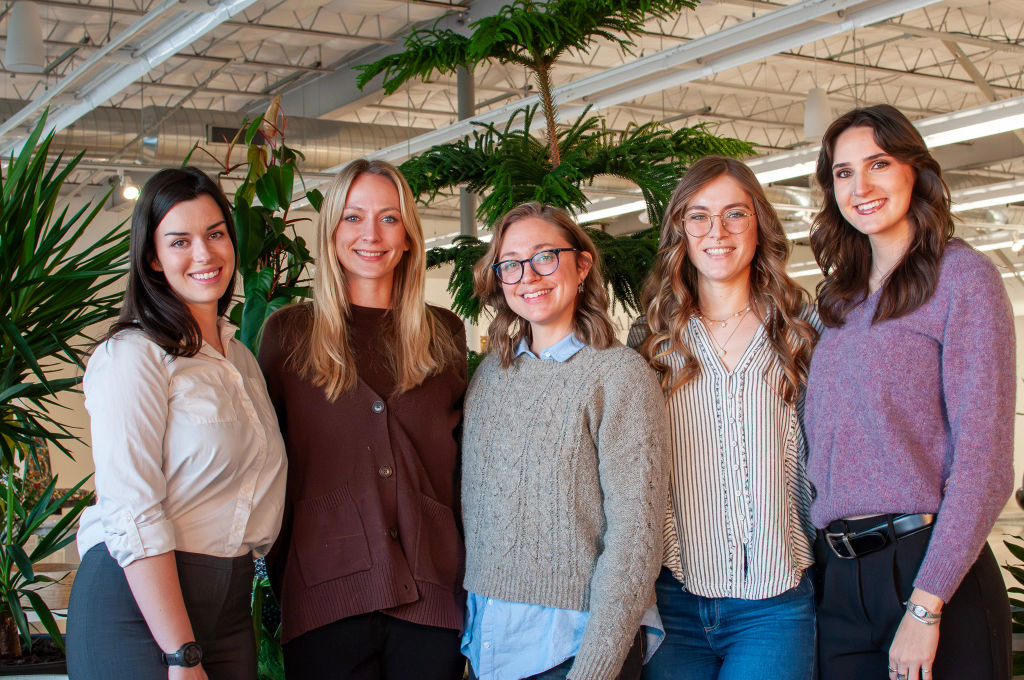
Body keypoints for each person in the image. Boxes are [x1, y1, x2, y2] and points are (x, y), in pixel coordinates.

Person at [805, 104, 1014, 680]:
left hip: (930, 571)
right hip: (840, 579)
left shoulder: (963, 279)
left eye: (878, 163)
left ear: (914, 171)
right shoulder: (838, 303)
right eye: (844, 172)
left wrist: (927, 604)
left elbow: (984, 462)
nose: (861, 187)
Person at [66, 167, 288, 680]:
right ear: (152, 256)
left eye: (215, 234)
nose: (204, 254)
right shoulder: (132, 355)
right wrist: (180, 653)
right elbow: (132, 512)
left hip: (229, 604)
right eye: (180, 241)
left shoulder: (240, 360)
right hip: (139, 606)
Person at [258, 159, 467, 679]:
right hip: (324, 596)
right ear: (331, 232)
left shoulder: (445, 334)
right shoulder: (288, 334)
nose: (371, 234)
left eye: (389, 218)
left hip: (432, 596)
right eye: (353, 217)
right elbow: (265, 466)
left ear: (408, 236)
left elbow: (463, 468)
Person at [460, 201, 670, 680]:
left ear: (582, 265)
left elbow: (635, 539)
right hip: (489, 647)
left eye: (545, 256)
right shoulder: (489, 376)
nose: (528, 276)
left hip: (574, 650)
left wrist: (595, 667)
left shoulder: (618, 375)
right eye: (511, 264)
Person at [629, 156, 819, 680]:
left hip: (775, 602)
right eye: (699, 216)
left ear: (760, 224)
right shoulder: (650, 340)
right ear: (680, 231)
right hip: (674, 599)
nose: (718, 232)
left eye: (735, 213)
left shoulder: (801, 331)